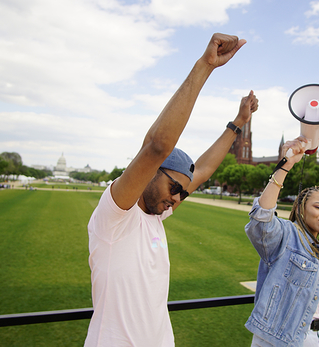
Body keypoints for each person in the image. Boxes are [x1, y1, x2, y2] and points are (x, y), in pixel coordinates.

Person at [84, 33, 255, 347]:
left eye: (183, 194)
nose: (177, 198)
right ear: (151, 172)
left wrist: (238, 123)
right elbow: (157, 146)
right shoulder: (115, 217)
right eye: (174, 187)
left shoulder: (155, 217)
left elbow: (201, 171)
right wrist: (206, 66)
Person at [245, 137, 319, 347]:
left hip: (317, 338)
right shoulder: (287, 234)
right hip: (277, 339)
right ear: (302, 210)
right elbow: (261, 219)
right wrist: (286, 166)